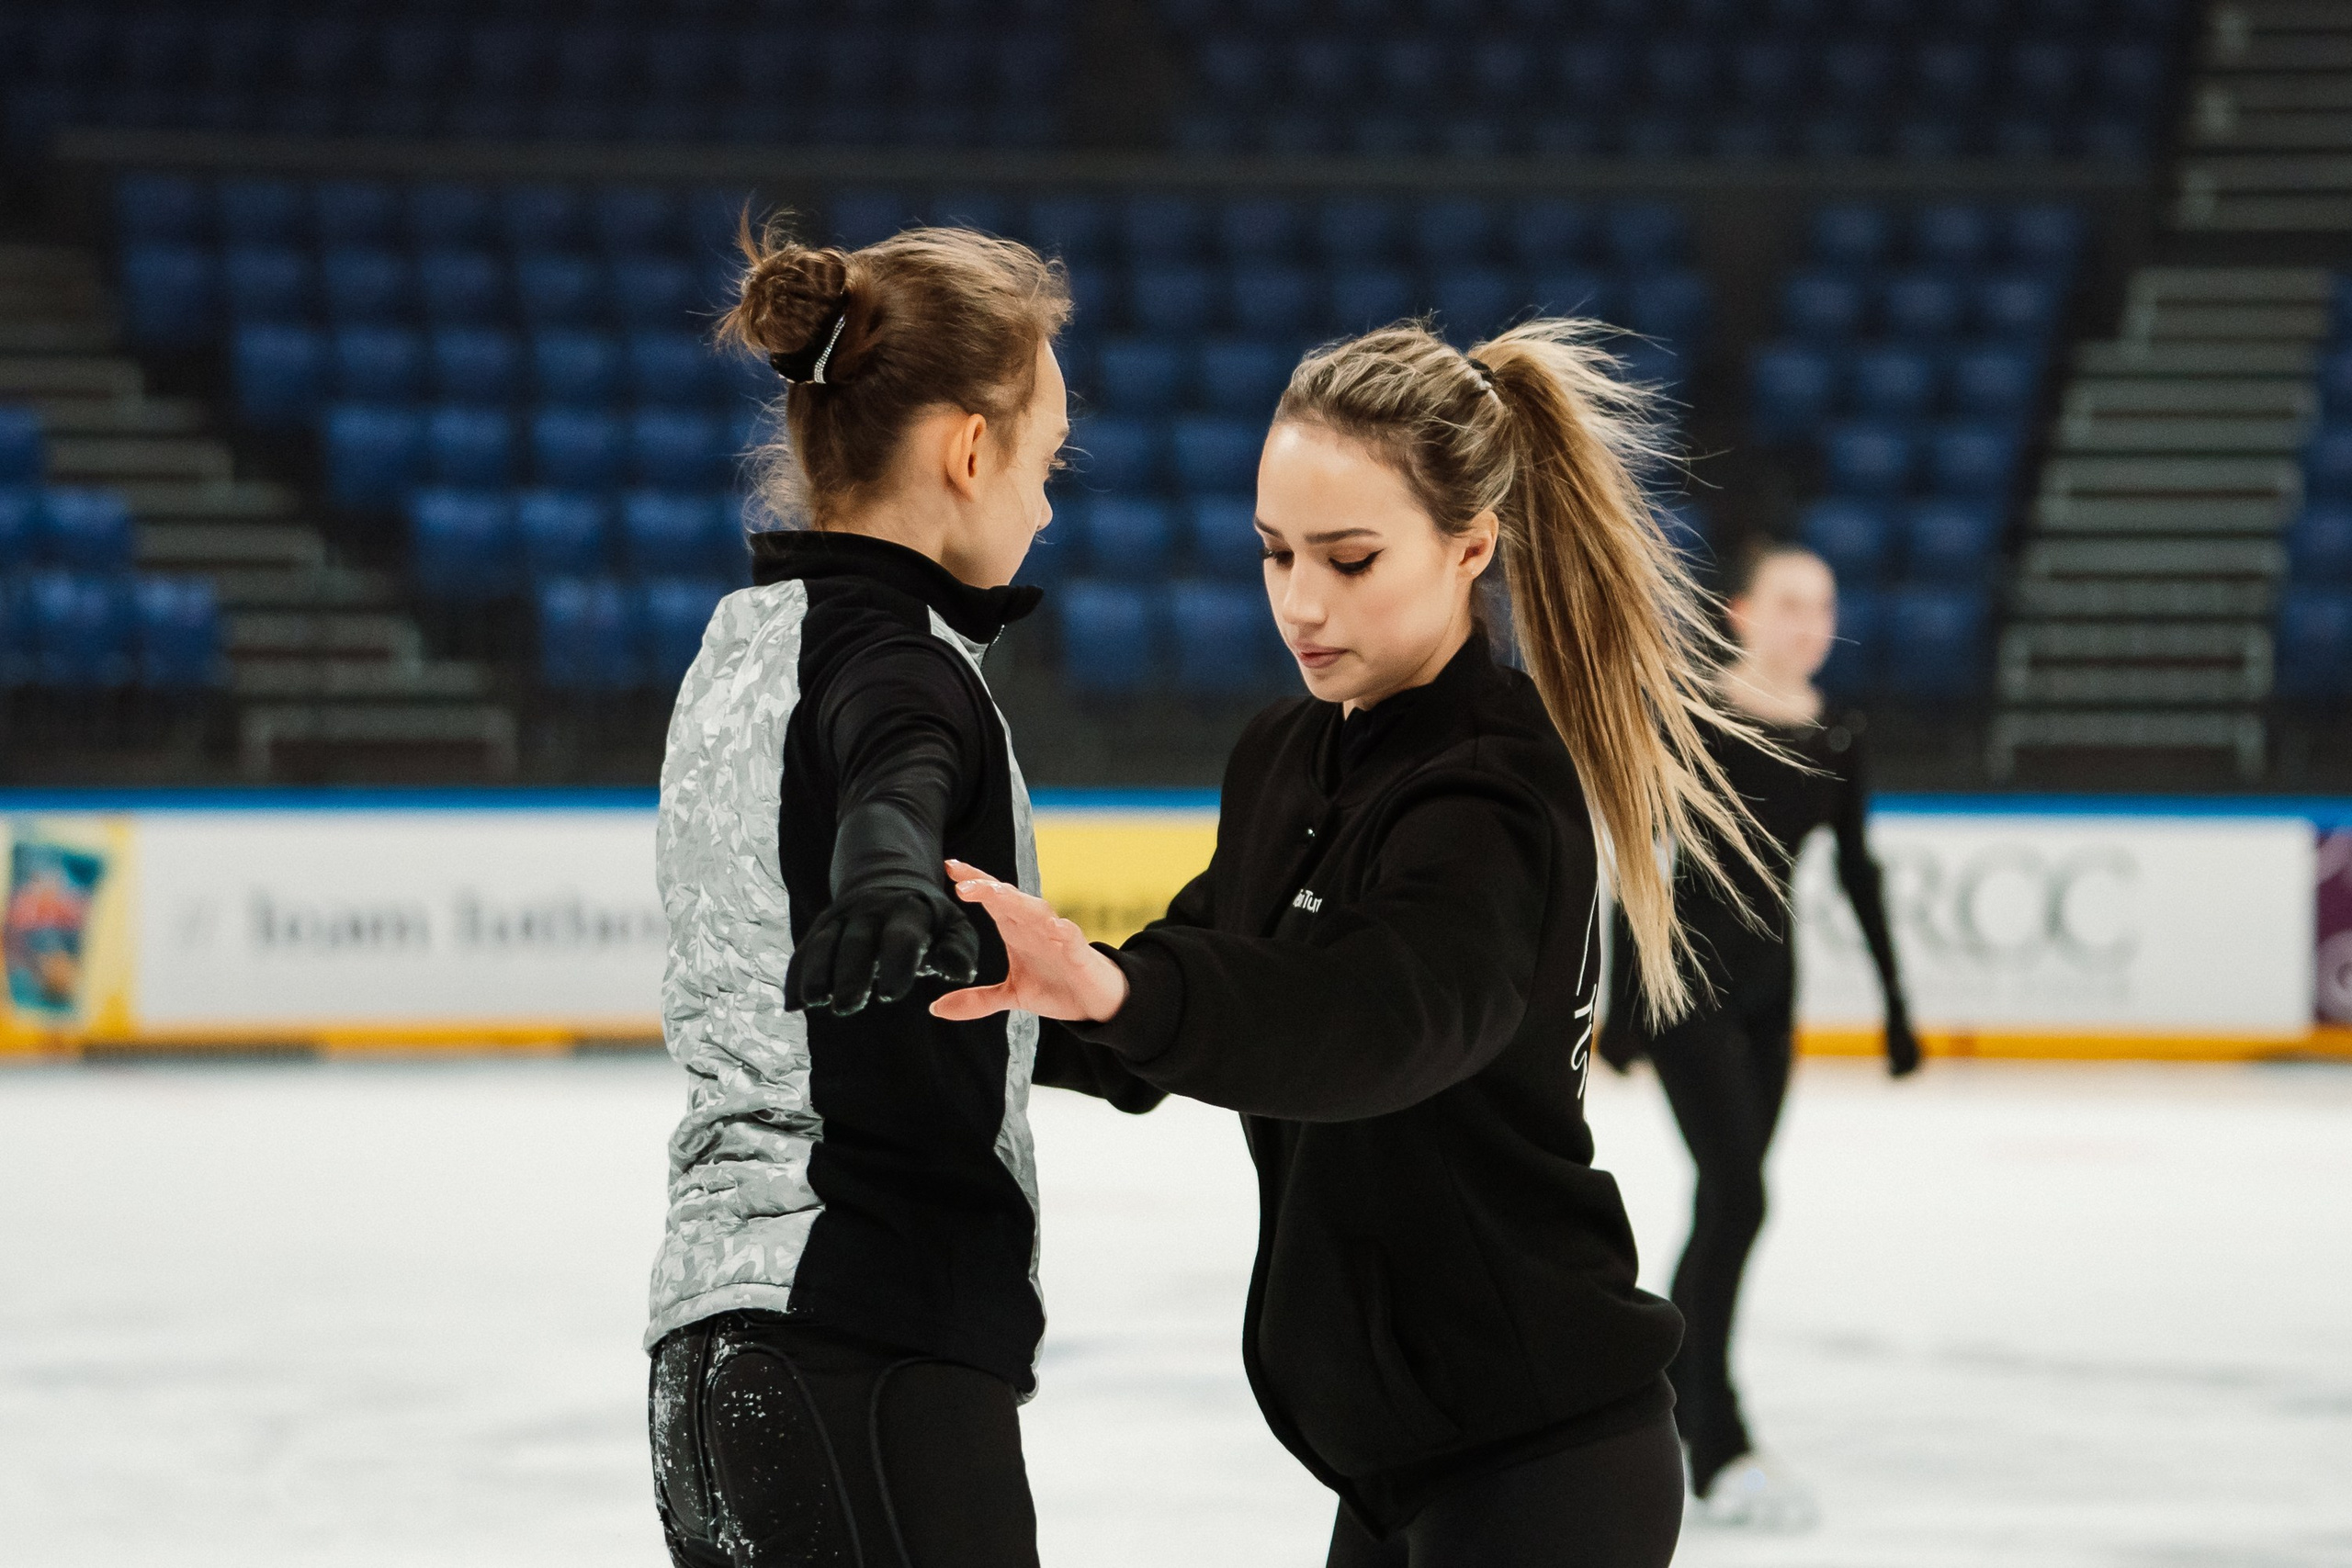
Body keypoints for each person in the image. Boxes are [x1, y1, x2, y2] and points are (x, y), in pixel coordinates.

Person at [931, 321, 1776, 1568]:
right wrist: (970, 982)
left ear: (1470, 545)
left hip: (1544, 1459)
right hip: (1401, 1471)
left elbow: (1371, 1021)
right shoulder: (1284, 753)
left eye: (1351, 557)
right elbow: (1183, 996)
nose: (1302, 601)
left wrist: (1121, 989)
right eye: (1275, 554)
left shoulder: (1497, 793)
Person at [641, 218, 1071, 1568]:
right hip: (870, 1346)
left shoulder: (740, 646)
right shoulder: (900, 660)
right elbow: (898, 760)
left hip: (711, 1357)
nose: (1047, 506)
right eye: (1046, 461)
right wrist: (887, 866)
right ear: (967, 449)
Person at [1598, 539, 1922, 1529]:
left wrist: (1897, 1008)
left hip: (1772, 997)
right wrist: (1618, 997)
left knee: (1726, 1204)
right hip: (1684, 987)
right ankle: (1714, 1427)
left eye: (1821, 606)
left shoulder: (1835, 733)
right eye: (1788, 603)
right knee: (1740, 1193)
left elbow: (1855, 873)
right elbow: (1641, 864)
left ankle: (1656, 1401)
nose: (1808, 624)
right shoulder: (1695, 714)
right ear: (1741, 612)